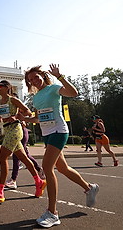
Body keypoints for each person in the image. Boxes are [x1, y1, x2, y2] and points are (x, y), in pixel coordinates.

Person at [20, 64, 99, 228]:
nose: (34, 81)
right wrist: (24, 119)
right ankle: (89, 188)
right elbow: (38, 118)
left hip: (59, 131)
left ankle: (52, 213)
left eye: (36, 77)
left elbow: (74, 93)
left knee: (47, 168)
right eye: (30, 80)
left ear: (42, 75)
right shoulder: (36, 98)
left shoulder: (54, 88)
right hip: (47, 134)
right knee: (62, 168)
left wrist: (60, 75)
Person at [0, 80, 47, 203]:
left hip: (15, 129)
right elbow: (0, 120)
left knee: (2, 157)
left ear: (7, 87)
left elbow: (28, 111)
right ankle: (39, 182)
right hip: (7, 129)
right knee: (24, 159)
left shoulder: (13, 100)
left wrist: (17, 116)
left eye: (0, 86)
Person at [5, 94, 45, 189]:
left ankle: (13, 179)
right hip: (13, 131)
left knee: (16, 155)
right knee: (25, 155)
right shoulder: (10, 109)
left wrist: (21, 119)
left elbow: (30, 113)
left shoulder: (20, 108)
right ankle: (39, 171)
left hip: (21, 131)